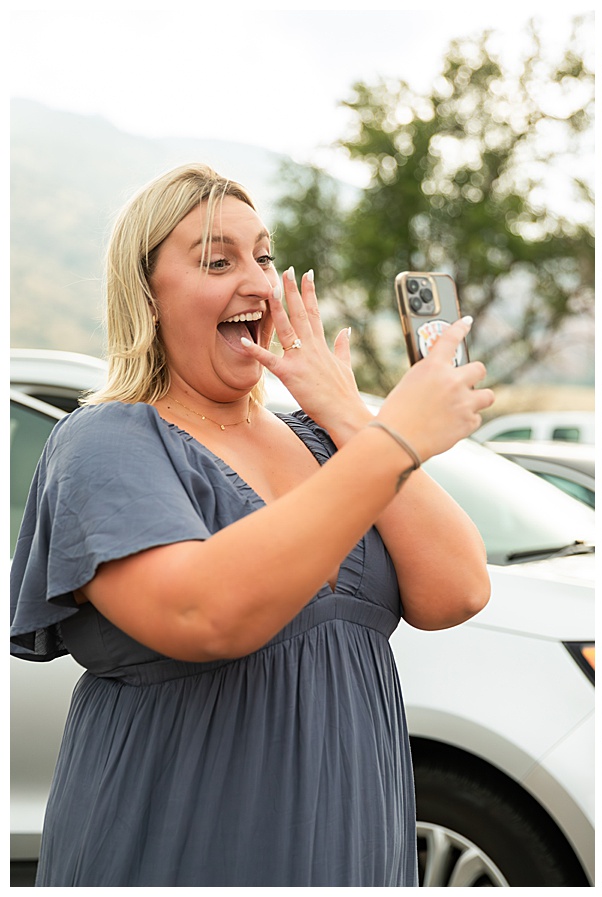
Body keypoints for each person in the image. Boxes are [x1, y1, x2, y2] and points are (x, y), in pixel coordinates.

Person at [10, 163, 495, 886]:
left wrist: (349, 414)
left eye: (265, 257)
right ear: (146, 292)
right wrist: (396, 439)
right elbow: (205, 612)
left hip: (352, 848)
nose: (260, 281)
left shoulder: (328, 441)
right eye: (218, 260)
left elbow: (457, 589)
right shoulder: (105, 441)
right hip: (178, 847)